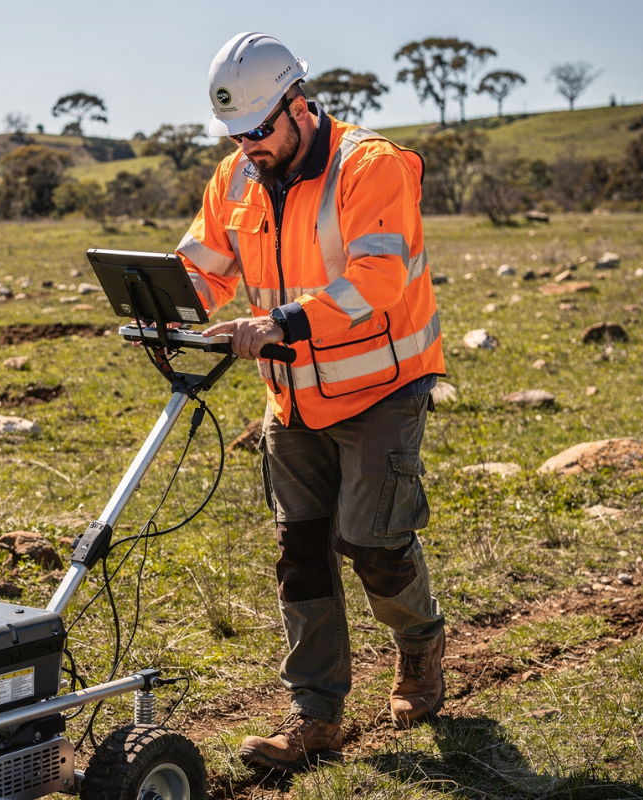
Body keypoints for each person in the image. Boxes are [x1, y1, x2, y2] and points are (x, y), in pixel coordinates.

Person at [175, 32, 447, 772]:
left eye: (258, 130)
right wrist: (165, 307)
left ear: (298, 105)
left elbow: (378, 279)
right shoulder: (238, 174)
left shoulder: (370, 165)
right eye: (235, 134)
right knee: (301, 554)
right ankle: (314, 716)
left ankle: (420, 645)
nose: (247, 146)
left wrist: (280, 323)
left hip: (382, 388)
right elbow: (205, 267)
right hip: (291, 397)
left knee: (373, 542)